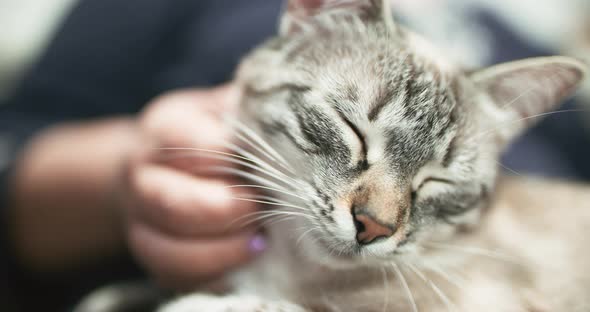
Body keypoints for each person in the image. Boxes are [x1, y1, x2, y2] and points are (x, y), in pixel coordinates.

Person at [1, 0, 589, 311]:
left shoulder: (516, 42)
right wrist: (124, 173)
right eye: (353, 135)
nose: (378, 217)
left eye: (434, 181)